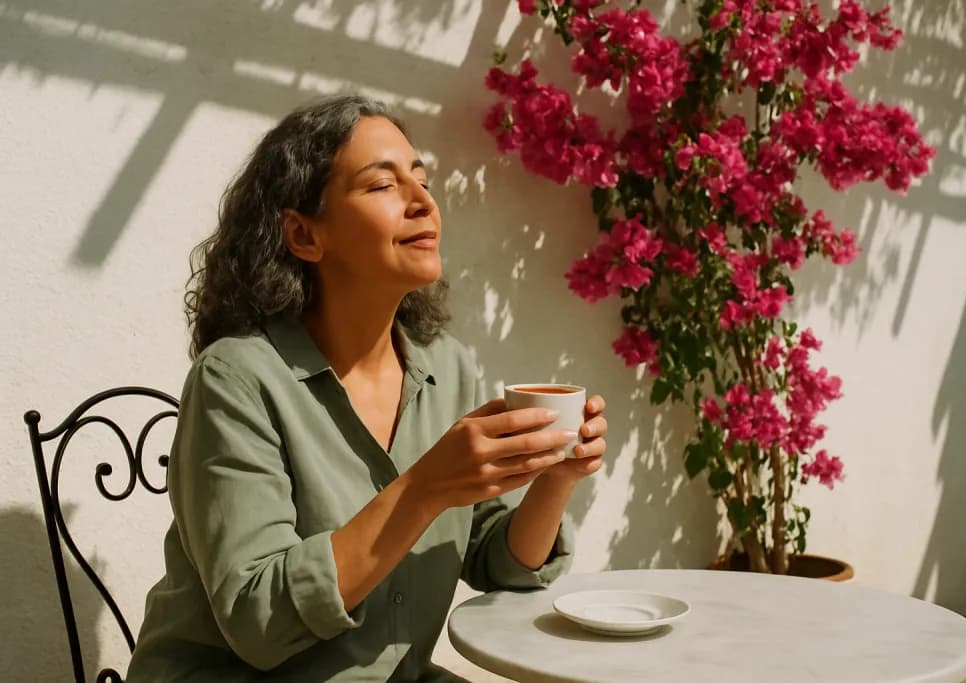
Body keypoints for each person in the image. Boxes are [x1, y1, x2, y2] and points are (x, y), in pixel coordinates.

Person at [126, 95, 608, 682]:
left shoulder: (446, 367)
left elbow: (499, 562)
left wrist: (556, 476)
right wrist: (425, 487)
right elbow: (259, 618)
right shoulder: (237, 379)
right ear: (303, 235)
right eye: (382, 185)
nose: (422, 201)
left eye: (422, 180)